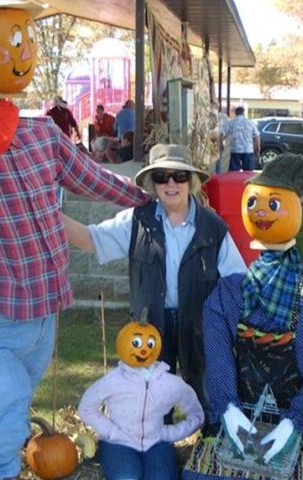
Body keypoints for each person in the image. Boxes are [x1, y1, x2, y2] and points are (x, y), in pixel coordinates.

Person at [0, 2, 151, 479]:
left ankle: (1, 457)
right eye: (12, 40)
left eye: (27, 37)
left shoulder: (43, 134)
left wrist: (145, 199)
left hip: (47, 311)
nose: (23, 50)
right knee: (5, 404)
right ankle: (2, 470)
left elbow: (91, 179)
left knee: (13, 404)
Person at [183, 153, 303, 480]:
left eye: (273, 204)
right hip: (238, 416)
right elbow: (218, 359)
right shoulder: (226, 295)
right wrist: (228, 411)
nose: (262, 211)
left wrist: (293, 422)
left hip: (297, 420)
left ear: (295, 209)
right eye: (253, 203)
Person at [63, 144, 247, 415]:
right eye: (162, 176)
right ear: (153, 183)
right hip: (150, 326)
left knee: (209, 397)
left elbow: (236, 281)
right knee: (151, 405)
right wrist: (47, 213)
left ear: (191, 181)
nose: (171, 183)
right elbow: (91, 240)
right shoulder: (137, 221)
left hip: (199, 324)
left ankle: (211, 449)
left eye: (179, 176)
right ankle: (159, 451)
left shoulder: (213, 228)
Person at [78, 313, 204, 480]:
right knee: (127, 477)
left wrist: (169, 433)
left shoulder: (171, 383)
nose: (143, 349)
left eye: (149, 343)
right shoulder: (113, 380)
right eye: (136, 343)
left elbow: (197, 414)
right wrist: (112, 432)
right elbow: (86, 407)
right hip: (118, 443)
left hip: (156, 442)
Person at [226, 106, 260, 172]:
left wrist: (220, 143)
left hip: (235, 150)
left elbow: (224, 134)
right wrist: (258, 147)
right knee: (248, 172)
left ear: (236, 113)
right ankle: (246, 182)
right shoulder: (250, 122)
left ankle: (234, 182)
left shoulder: (232, 123)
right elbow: (257, 136)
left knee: (233, 172)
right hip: (248, 149)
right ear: (243, 113)